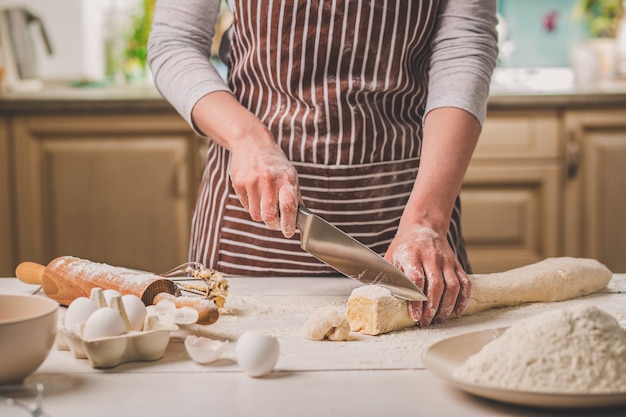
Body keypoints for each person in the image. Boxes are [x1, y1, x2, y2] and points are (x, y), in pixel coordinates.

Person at [148, 0, 498, 327]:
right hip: (249, 221)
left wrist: (426, 221)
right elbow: (175, 41)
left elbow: (463, 47)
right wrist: (247, 138)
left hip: (409, 208)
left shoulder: (422, 218)